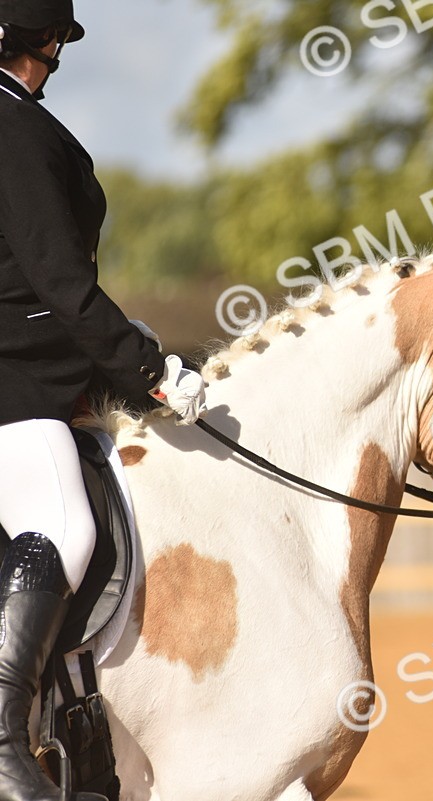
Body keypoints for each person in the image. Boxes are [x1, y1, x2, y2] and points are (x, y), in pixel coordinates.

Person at [0, 2, 206, 798]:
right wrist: (149, 368)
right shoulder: (13, 126)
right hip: (15, 384)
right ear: (51, 42)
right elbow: (60, 282)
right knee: (63, 524)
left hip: (33, 365)